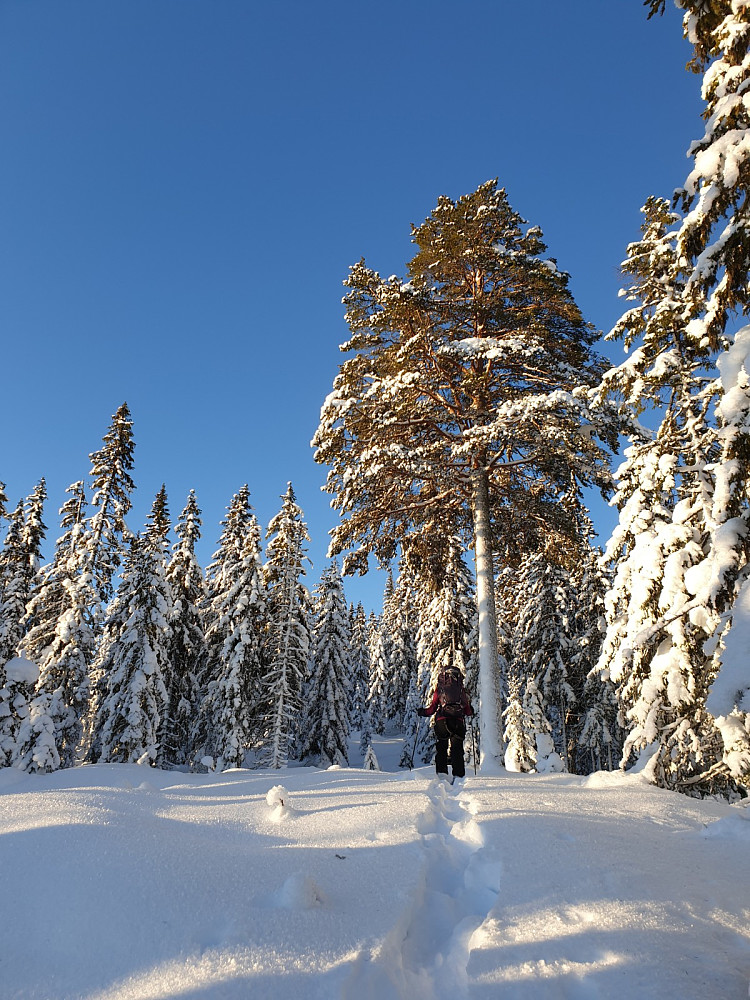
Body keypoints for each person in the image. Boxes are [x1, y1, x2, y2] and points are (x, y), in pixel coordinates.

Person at [417, 665, 474, 781]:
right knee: (457, 750)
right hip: (457, 722)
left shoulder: (440, 690)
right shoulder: (461, 690)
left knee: (442, 747)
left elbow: (432, 708)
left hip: (442, 722)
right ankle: (458, 776)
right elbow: (467, 711)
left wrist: (422, 712)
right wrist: (471, 711)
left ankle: (442, 774)